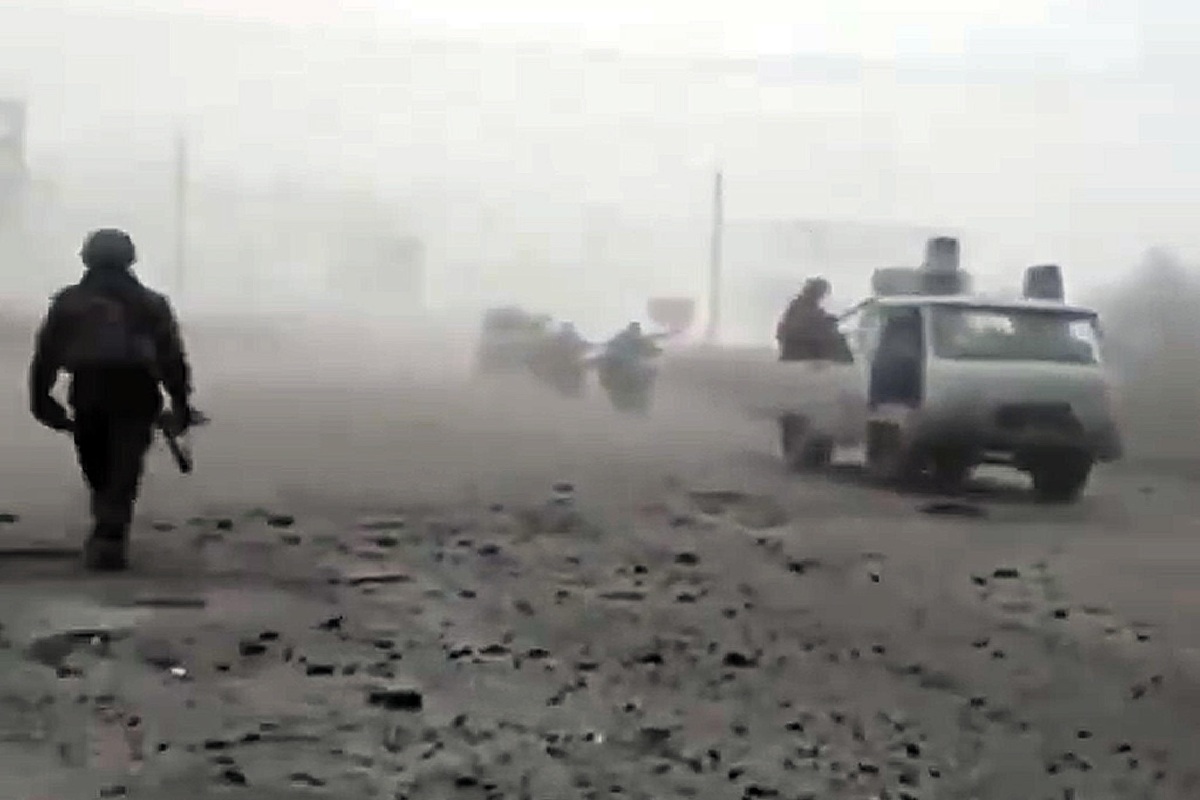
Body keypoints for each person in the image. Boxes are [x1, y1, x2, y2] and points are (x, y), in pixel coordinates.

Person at [28, 228, 195, 571]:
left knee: (98, 464)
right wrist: (180, 401)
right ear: (130, 260)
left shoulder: (70, 302)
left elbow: (46, 355)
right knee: (124, 465)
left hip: (89, 391)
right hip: (136, 392)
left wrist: (41, 397)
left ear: (87, 259)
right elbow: (171, 358)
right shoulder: (150, 304)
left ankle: (108, 529)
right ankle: (111, 529)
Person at [777, 277, 843, 361]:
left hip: (796, 346)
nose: (822, 296)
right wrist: (824, 320)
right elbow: (801, 325)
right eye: (821, 293)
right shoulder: (800, 305)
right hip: (796, 347)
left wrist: (826, 319)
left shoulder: (801, 304)